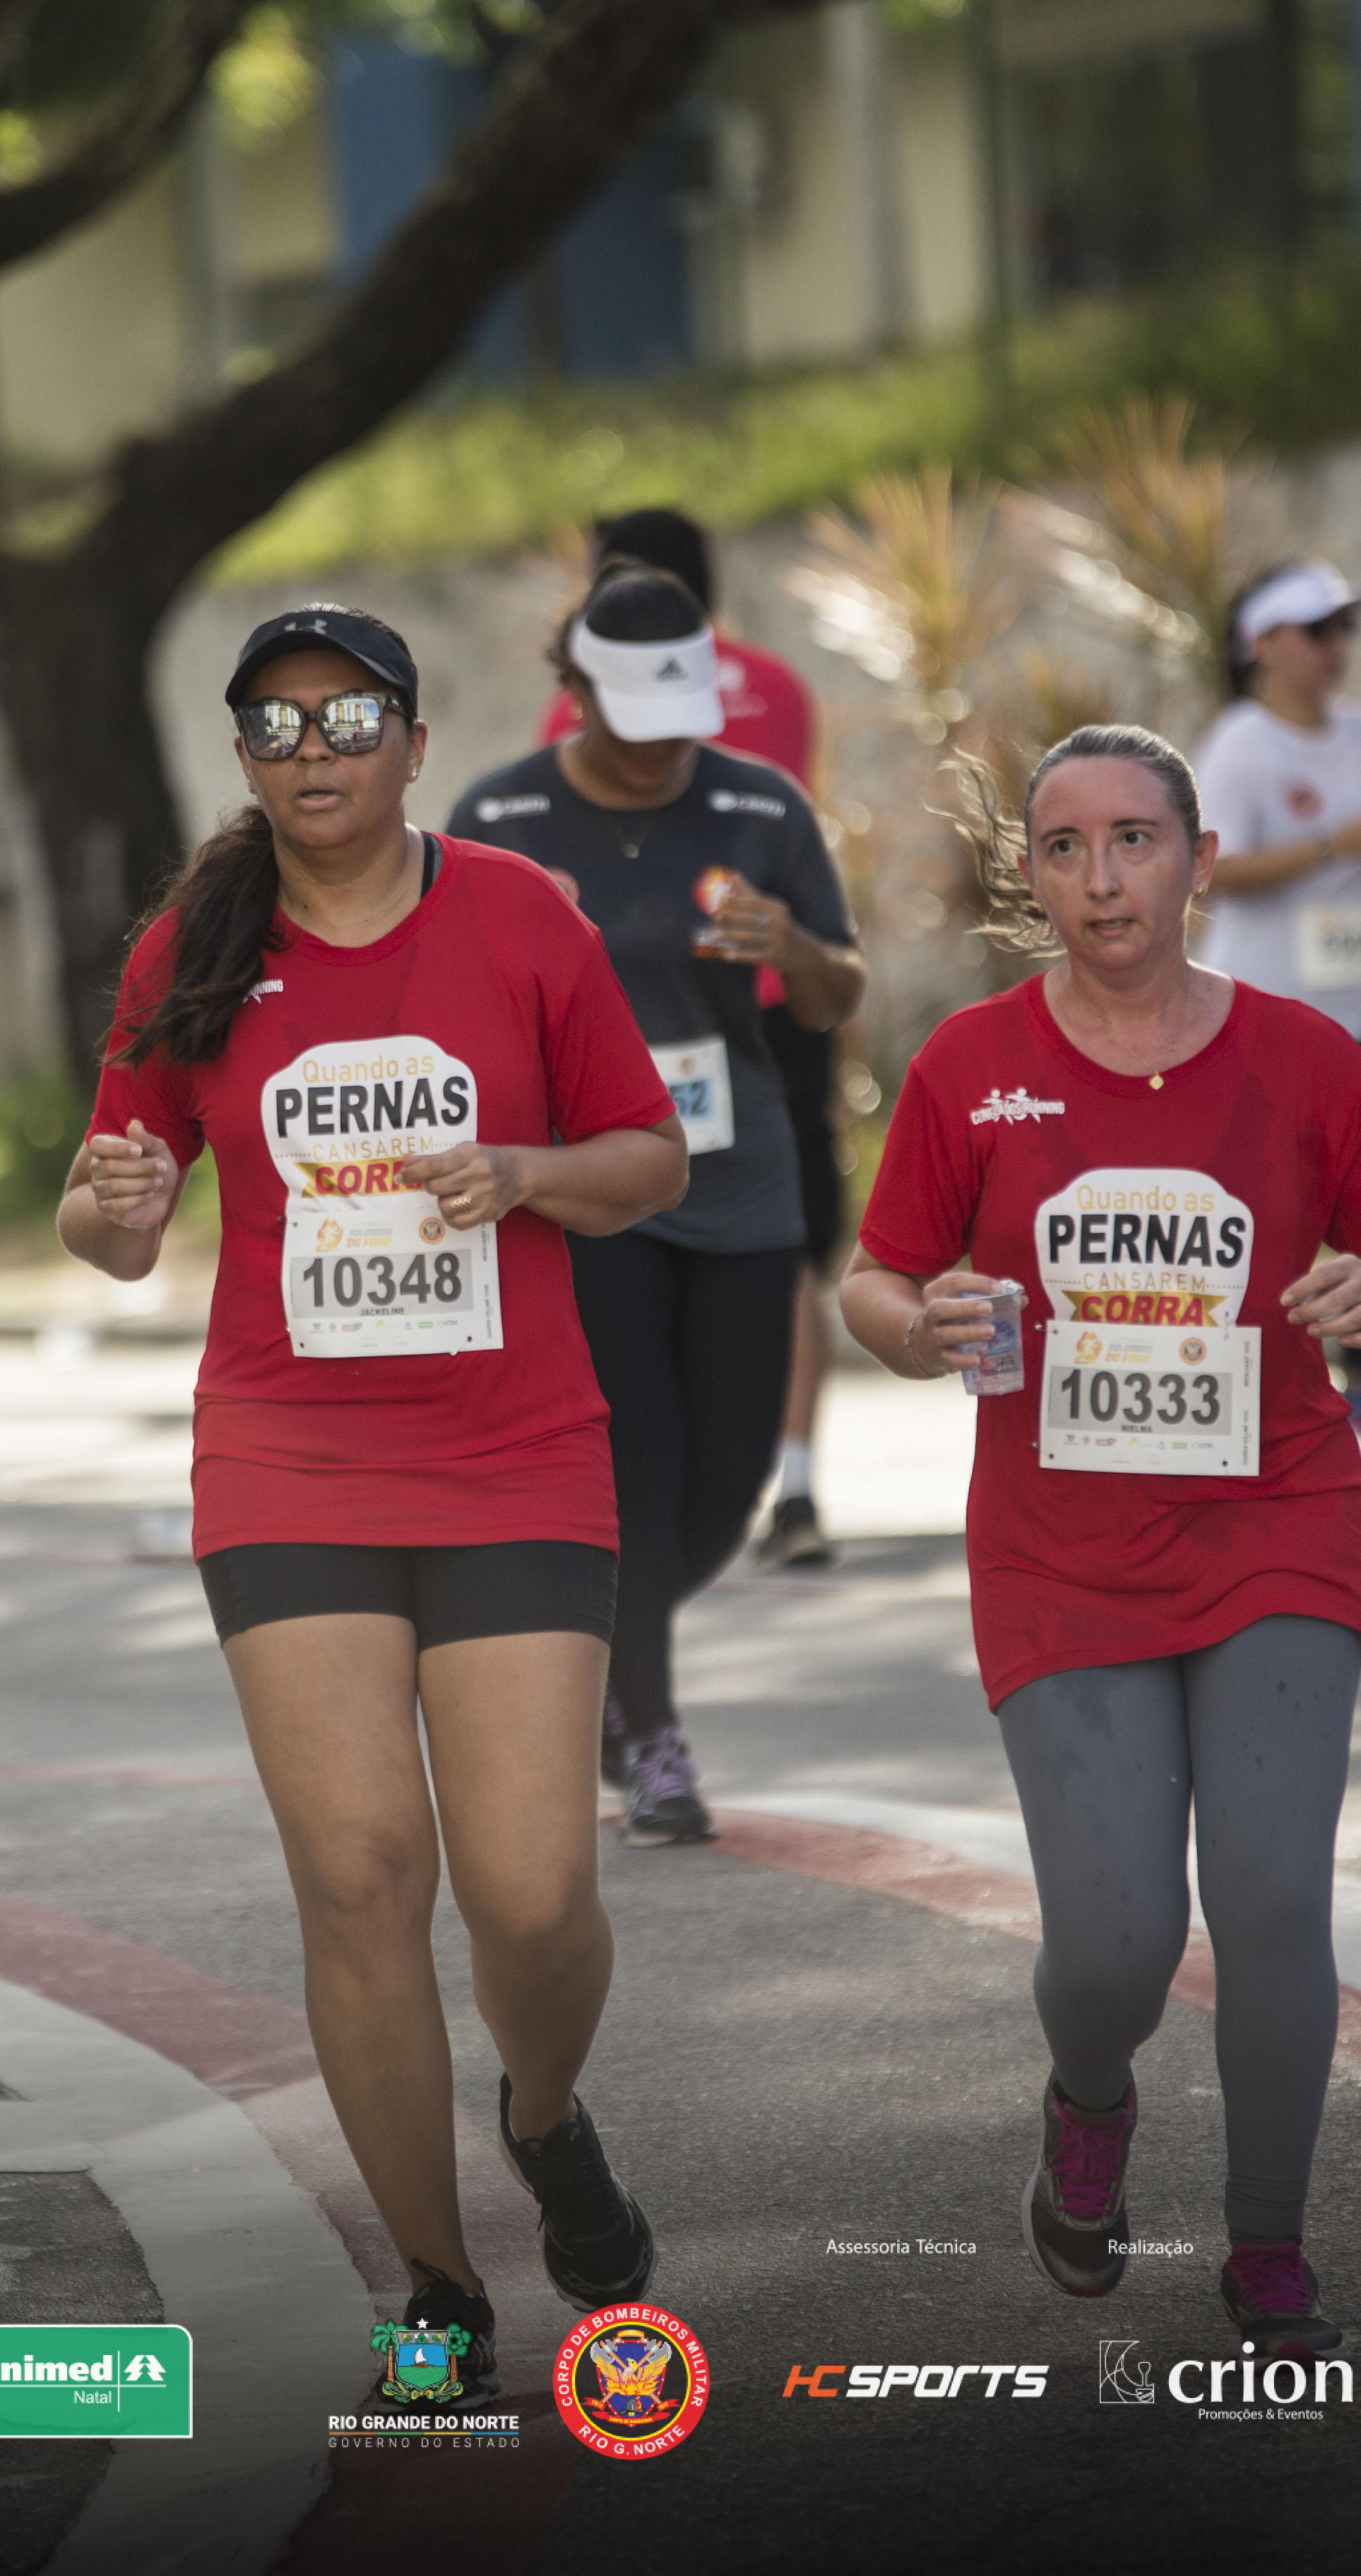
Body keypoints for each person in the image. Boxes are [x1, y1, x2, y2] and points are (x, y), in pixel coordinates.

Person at [65, 603, 688, 2404]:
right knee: (357, 1877)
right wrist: (114, 1207)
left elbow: (650, 1161)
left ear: (414, 741)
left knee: (531, 1895)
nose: (312, 751)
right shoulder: (194, 948)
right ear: (242, 759)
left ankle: (543, 2114)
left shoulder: (521, 917)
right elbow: (104, 1219)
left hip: (515, 1451)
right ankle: (434, 2286)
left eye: (347, 719)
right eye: (274, 725)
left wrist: (528, 1172)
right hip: (289, 1458)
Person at [836, 724, 1361, 2363]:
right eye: (1064, 847)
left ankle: (1267, 2246)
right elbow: (875, 1277)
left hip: (1276, 1519)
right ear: (1032, 876)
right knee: (1113, 1946)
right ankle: (1088, 2095)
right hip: (1059, 1549)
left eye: (1135, 839)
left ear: (1200, 860)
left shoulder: (1302, 1059)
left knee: (1268, 1897)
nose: (1102, 876)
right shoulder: (969, 1065)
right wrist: (916, 1326)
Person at [458, 565, 863, 1847]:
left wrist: (793, 949)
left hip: (737, 1178)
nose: (660, 749)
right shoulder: (499, 817)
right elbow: (450, 1009)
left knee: (728, 1481)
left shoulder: (759, 803)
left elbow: (835, 996)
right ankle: (654, 1735)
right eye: (633, 720)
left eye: (679, 721)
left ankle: (597, 1658)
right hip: (586, 1187)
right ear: (573, 691)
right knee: (633, 1461)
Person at [530, 505, 852, 1572]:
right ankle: (792, 1487)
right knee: (779, 1244)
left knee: (623, 1236)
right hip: (765, 1005)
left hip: (643, 1011)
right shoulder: (782, 689)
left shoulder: (571, 712)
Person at [1192, 559, 1361, 1455]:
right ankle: (1250, 1384)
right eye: (1319, 630)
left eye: (1346, 629)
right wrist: (1334, 842)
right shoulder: (1240, 744)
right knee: (1265, 1203)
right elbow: (1209, 869)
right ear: (1263, 645)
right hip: (1270, 1010)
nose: (1339, 646)